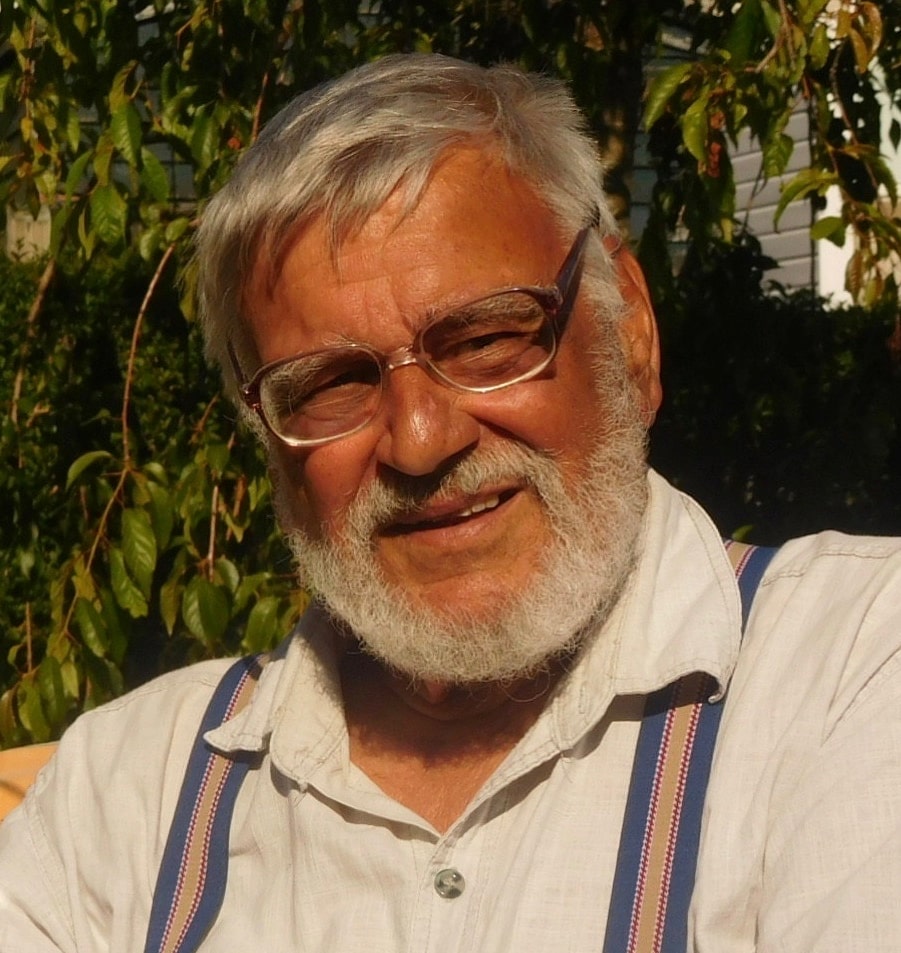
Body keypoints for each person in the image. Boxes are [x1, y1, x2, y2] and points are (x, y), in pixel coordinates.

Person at [1, 52, 900, 953]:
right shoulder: (122, 800)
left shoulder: (843, 670)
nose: (421, 440)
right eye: (330, 384)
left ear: (628, 331)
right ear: (266, 436)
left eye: (482, 338)